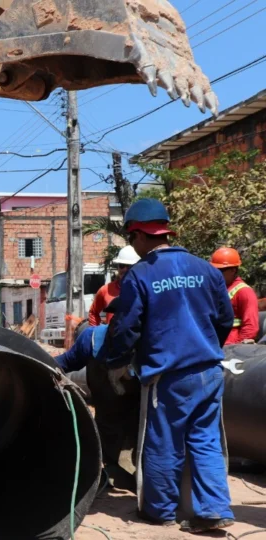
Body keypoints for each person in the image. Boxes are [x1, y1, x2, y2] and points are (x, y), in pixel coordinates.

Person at [106, 198, 234, 532]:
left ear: (138, 234)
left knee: (163, 441)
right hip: (209, 371)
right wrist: (205, 348)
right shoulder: (206, 270)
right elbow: (225, 319)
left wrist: (118, 363)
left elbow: (126, 328)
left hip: (168, 376)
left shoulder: (141, 275)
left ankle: (160, 510)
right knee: (205, 441)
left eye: (132, 239)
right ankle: (213, 510)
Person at [56, 299, 140, 490]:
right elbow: (66, 362)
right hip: (106, 423)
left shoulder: (147, 344)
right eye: (118, 319)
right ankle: (110, 472)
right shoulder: (92, 339)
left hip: (137, 427)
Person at [210, 247, 260, 345]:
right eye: (214, 270)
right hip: (215, 343)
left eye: (220, 270)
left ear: (233, 270)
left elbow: (250, 327)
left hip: (231, 345)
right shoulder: (216, 287)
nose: (215, 273)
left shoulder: (244, 292)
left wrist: (237, 347)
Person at [89, 245, 141, 326]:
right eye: (122, 265)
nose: (125, 269)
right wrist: (97, 332)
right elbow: (93, 312)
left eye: (129, 266)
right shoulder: (106, 290)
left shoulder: (143, 289)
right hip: (112, 337)